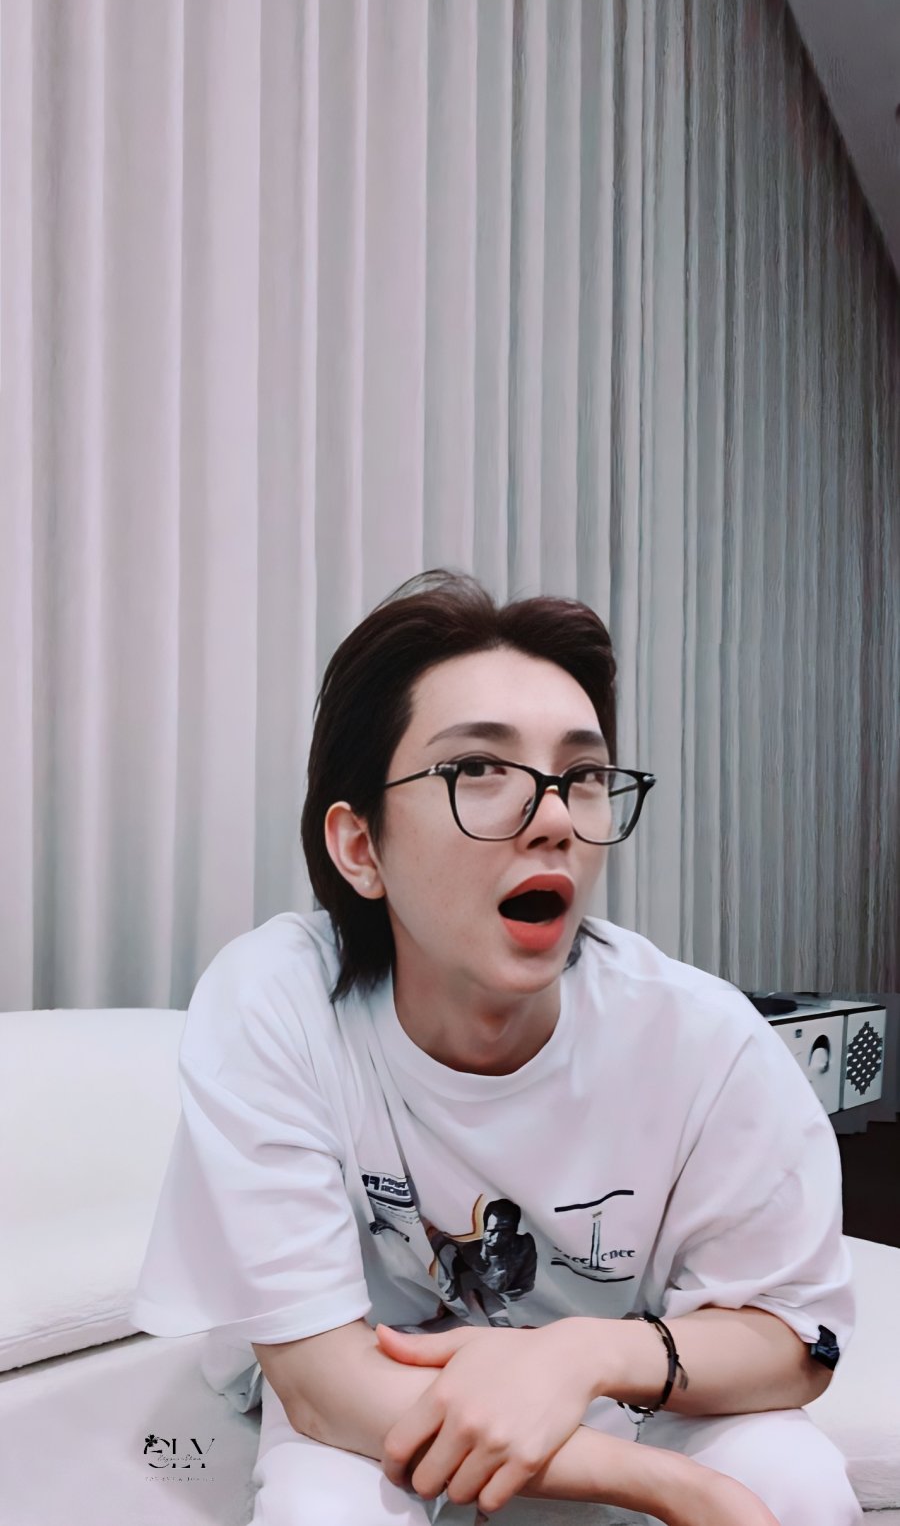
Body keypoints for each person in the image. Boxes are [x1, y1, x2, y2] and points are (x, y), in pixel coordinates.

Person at [130, 569, 862, 1526]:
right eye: (478, 769)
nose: (554, 818)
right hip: (374, 1386)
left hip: (613, 1379)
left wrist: (580, 1356)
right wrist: (670, 1488)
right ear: (360, 847)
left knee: (797, 1485)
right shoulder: (278, 1001)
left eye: (583, 776)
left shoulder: (704, 1038)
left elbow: (795, 1341)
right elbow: (323, 1384)